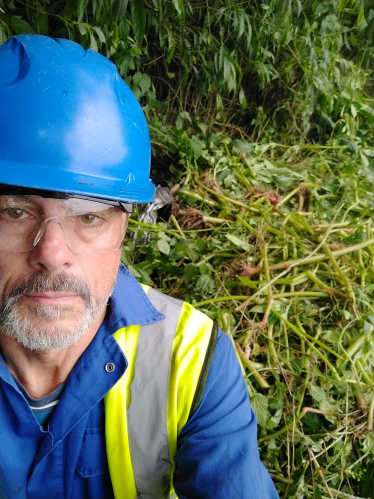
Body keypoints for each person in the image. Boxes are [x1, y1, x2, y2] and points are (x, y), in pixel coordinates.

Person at [0, 35, 279, 499]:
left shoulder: (189, 362)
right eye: (12, 211)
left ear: (124, 228)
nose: (51, 252)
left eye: (89, 216)